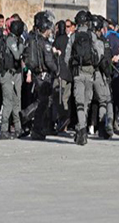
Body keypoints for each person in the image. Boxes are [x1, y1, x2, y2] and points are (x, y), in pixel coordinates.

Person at [65, 10, 101, 146]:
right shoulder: (92, 35)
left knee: (79, 102)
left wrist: (72, 68)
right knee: (86, 103)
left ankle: (82, 130)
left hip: (78, 73)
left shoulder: (73, 37)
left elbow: (66, 57)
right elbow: (99, 53)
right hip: (90, 73)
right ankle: (82, 129)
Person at [28, 14, 58, 140]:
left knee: (42, 101)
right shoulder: (44, 43)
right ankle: (35, 127)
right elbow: (49, 61)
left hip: (37, 74)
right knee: (43, 103)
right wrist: (57, 70)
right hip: (44, 76)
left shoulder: (33, 40)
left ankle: (37, 127)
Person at [0, 18, 24, 139]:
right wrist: (22, 45)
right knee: (8, 101)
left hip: (14, 73)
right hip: (7, 74)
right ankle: (4, 129)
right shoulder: (10, 40)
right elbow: (17, 55)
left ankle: (18, 128)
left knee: (16, 101)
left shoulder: (15, 39)